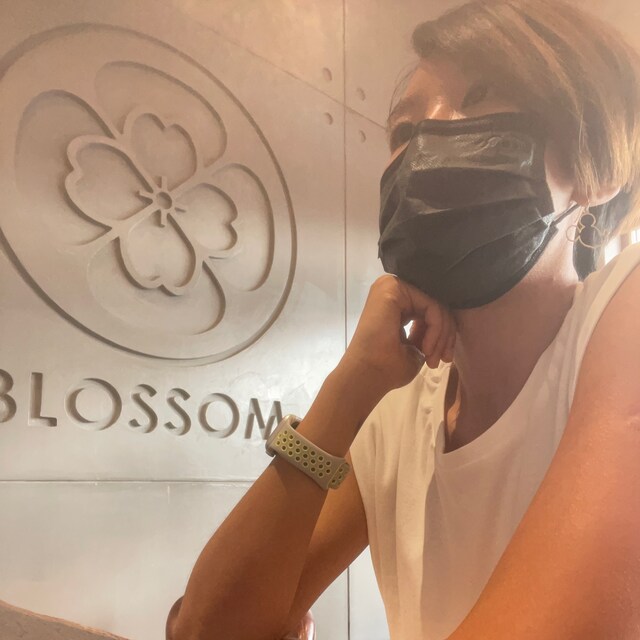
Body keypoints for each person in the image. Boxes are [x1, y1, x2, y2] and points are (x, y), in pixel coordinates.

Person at [166, 1, 640, 638]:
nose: (425, 140)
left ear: (595, 166)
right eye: (402, 128)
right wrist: (350, 386)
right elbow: (205, 629)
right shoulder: (401, 412)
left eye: (481, 96)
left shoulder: (626, 312)